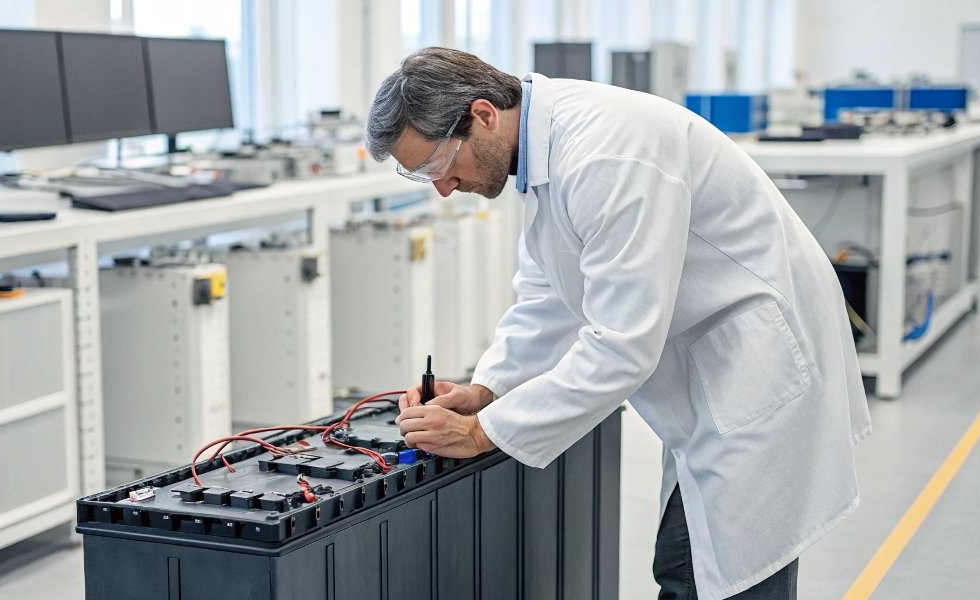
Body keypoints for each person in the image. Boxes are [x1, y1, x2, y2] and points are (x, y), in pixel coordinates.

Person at [366, 47, 871, 600]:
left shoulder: (604, 156)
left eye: (439, 164)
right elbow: (550, 293)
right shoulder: (542, 151)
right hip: (711, 358)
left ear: (483, 114)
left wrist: (485, 432)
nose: (443, 187)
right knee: (688, 561)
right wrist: (488, 390)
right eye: (424, 176)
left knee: (735, 573)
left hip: (757, 354)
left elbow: (621, 346)